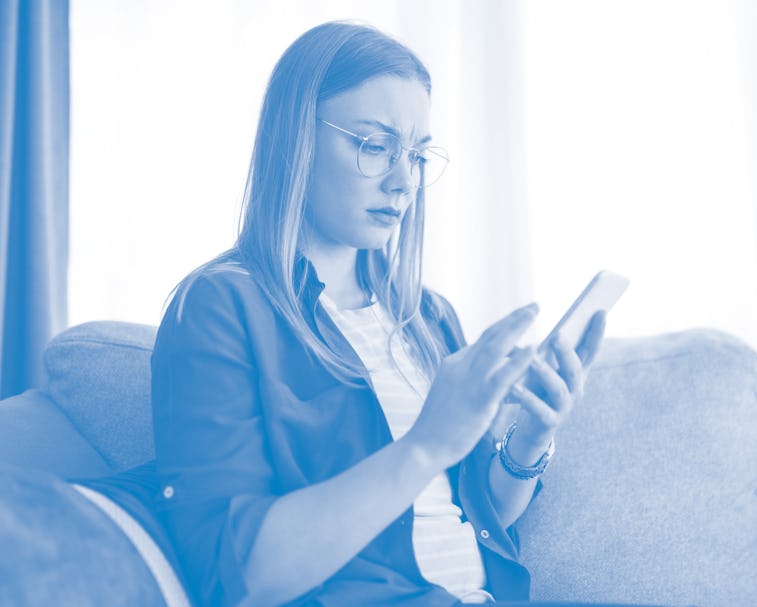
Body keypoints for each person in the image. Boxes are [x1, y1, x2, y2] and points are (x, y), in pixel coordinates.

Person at [140, 20, 652, 607]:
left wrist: (534, 435)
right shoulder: (220, 309)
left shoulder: (425, 317)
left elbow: (480, 514)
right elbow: (239, 575)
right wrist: (425, 444)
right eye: (374, 146)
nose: (404, 180)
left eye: (416, 153)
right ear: (296, 140)